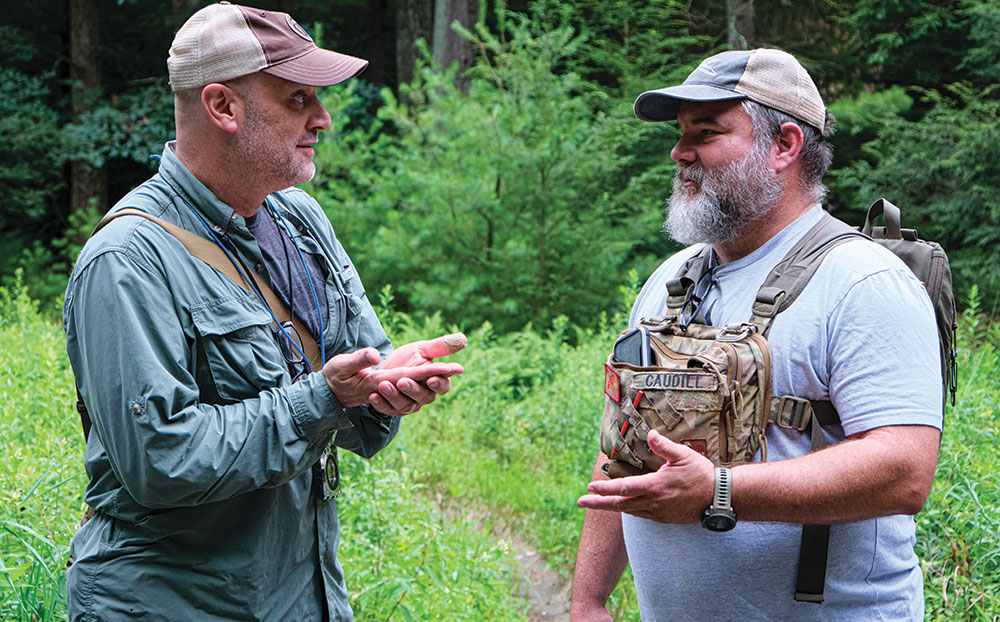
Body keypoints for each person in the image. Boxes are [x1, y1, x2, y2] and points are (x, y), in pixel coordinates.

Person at [63, 4, 466, 620]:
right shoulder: (127, 260)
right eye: (299, 98)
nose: (323, 118)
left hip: (302, 598)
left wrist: (386, 386)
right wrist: (326, 399)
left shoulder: (300, 220)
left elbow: (355, 373)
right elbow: (161, 462)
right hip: (170, 605)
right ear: (222, 107)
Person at [570, 49, 942, 621]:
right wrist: (588, 600)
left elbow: (904, 470)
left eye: (706, 131)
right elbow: (621, 446)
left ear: (784, 146)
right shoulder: (672, 278)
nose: (679, 152)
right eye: (679, 133)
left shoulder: (863, 282)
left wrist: (720, 492)